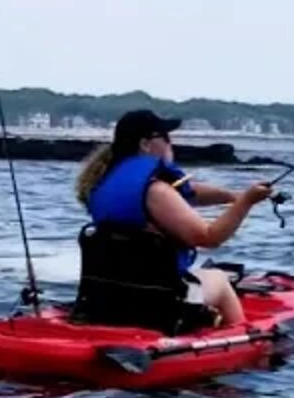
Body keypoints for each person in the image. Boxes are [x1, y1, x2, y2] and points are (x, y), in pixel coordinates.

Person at [74, 109, 274, 326]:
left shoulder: (102, 183)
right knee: (219, 279)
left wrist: (232, 196)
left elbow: (189, 193)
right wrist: (246, 203)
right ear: (145, 144)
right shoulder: (156, 192)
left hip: (107, 299)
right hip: (158, 302)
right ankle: (243, 338)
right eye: (166, 137)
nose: (171, 143)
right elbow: (209, 237)